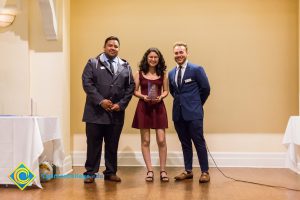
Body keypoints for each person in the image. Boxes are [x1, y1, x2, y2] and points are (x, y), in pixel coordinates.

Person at [82, 36, 135, 183]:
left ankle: (110, 172)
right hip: (95, 113)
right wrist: (101, 101)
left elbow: (130, 87)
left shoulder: (126, 66)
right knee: (93, 144)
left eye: (116, 46)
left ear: (118, 49)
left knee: (112, 144)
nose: (113, 48)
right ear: (104, 47)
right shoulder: (92, 63)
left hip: (116, 114)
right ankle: (90, 173)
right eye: (110, 45)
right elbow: (87, 84)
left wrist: (121, 104)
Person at [168, 42, 211, 183]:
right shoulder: (171, 73)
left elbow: (206, 89)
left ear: (187, 53)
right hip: (178, 114)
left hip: (194, 114)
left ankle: (205, 171)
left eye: (181, 52)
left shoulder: (196, 69)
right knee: (185, 143)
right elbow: (174, 92)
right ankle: (188, 171)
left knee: (199, 142)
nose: (179, 55)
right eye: (176, 53)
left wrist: (196, 104)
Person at [132, 48, 169, 182]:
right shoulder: (139, 73)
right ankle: (150, 171)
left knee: (161, 140)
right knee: (145, 141)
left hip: (158, 107)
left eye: (155, 57)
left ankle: (163, 170)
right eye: (150, 57)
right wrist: (143, 96)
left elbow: (166, 91)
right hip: (144, 107)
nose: (153, 59)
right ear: (146, 58)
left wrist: (160, 97)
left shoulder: (163, 74)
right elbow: (134, 91)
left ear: (159, 59)